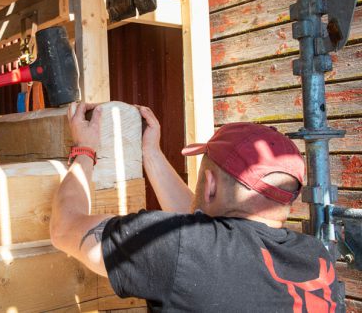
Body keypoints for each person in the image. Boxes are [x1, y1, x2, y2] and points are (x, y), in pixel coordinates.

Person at [50, 102, 344, 312]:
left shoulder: (180, 249)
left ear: (211, 185)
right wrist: (150, 154)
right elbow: (203, 235)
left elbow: (64, 227)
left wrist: (85, 151)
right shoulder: (316, 260)